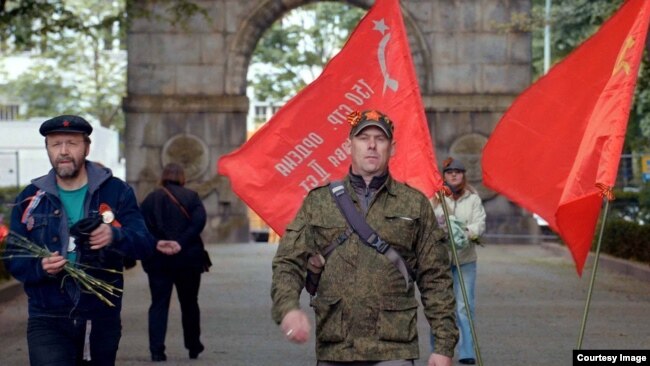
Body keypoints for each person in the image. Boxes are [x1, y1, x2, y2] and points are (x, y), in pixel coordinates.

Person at [271, 110, 458, 366]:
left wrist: (444, 346)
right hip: (336, 347)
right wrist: (288, 309)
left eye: (380, 139)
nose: (371, 145)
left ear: (392, 148)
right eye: (363, 138)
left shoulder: (414, 204)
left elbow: (435, 277)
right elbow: (288, 262)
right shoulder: (319, 201)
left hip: (393, 347)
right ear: (349, 145)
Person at [4, 114, 156, 366]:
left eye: (71, 143)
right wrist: (39, 267)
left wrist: (114, 235)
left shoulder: (116, 192)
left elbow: (145, 245)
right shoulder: (30, 198)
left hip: (99, 317)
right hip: (46, 315)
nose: (63, 151)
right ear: (48, 149)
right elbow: (13, 256)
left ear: (86, 147)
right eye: (56, 144)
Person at [140, 163, 207, 362]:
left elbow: (141, 225)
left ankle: (157, 350)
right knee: (189, 303)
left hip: (158, 260)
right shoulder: (192, 197)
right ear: (182, 177)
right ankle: (193, 346)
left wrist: (159, 242)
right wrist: (180, 242)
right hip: (188, 259)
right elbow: (198, 223)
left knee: (159, 304)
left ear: (163, 177)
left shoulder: (150, 199)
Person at [429, 157, 486, 365]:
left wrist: (464, 232)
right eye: (449, 172)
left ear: (463, 175)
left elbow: (479, 223)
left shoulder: (473, 199)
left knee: (464, 306)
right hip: (441, 261)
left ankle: (467, 351)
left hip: (465, 260)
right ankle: (439, 349)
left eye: (458, 171)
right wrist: (441, 230)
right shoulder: (435, 198)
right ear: (444, 176)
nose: (453, 175)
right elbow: (428, 224)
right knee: (440, 307)